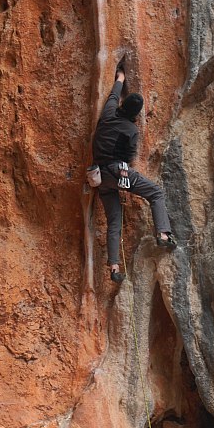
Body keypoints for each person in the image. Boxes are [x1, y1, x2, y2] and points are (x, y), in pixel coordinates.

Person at [92, 65, 176, 283]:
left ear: (121, 105)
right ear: (136, 115)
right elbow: (129, 157)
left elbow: (113, 94)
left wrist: (120, 77)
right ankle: (163, 235)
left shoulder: (109, 113)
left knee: (114, 222)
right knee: (155, 193)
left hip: (100, 176)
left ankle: (114, 267)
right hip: (119, 174)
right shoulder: (131, 131)